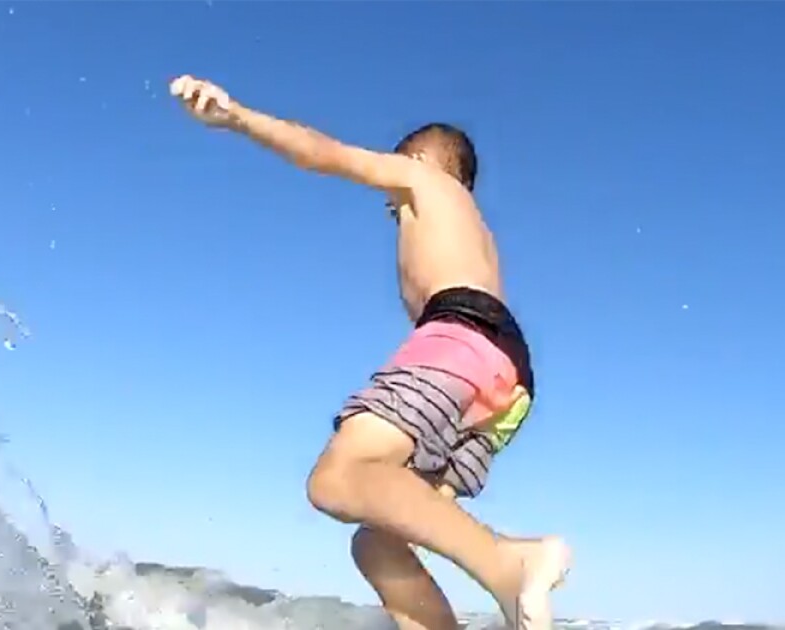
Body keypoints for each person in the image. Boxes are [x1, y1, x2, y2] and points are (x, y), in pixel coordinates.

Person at [169, 74, 571, 630]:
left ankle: (511, 564)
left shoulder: (422, 180)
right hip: (504, 379)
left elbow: (322, 154)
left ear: (422, 161)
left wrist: (236, 116)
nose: (390, 201)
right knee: (378, 544)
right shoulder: (471, 228)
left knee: (338, 477)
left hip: (461, 337)